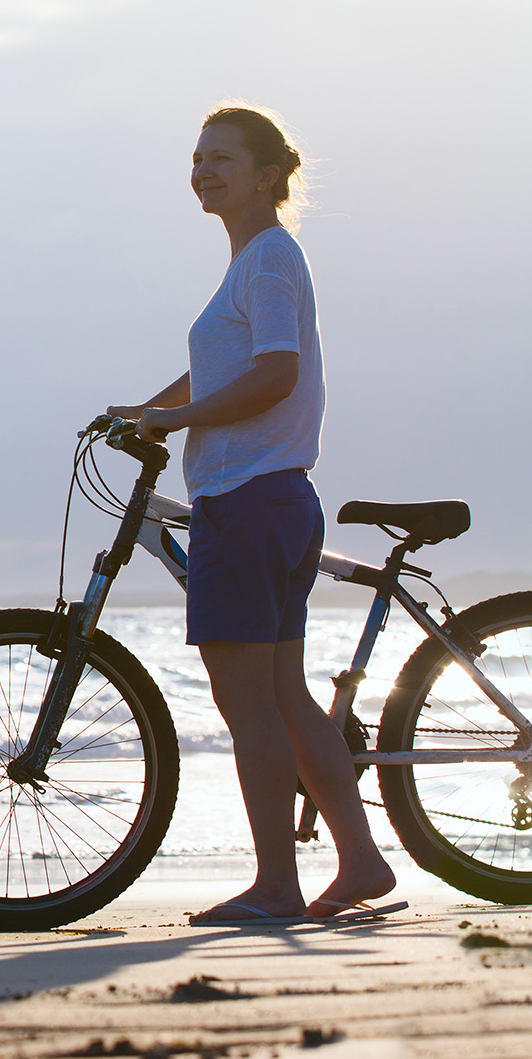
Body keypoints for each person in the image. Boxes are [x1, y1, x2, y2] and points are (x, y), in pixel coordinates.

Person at [108, 103, 396, 925]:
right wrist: (147, 409)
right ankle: (363, 861)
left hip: (249, 500)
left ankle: (277, 885)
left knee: (251, 708)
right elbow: (220, 372)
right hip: (274, 500)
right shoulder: (256, 262)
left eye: (223, 157)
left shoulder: (267, 260)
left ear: (267, 174)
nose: (204, 170)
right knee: (288, 699)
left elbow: (275, 374)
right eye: (197, 158)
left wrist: (176, 422)